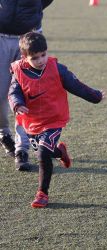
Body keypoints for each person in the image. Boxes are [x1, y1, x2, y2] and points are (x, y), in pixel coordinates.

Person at [8, 32, 106, 208]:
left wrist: (96, 96)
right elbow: (13, 91)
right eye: (35, 58)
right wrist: (17, 104)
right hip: (31, 122)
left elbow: (76, 85)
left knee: (42, 153)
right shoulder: (18, 71)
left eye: (43, 55)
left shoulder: (57, 68)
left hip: (53, 119)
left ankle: (42, 194)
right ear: (24, 57)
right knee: (46, 151)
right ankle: (61, 152)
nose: (41, 60)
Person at [0, 0, 53, 171]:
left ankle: (21, 149)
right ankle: (3, 133)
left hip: (28, 38)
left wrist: (32, 13)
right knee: (1, 95)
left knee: (27, 96)